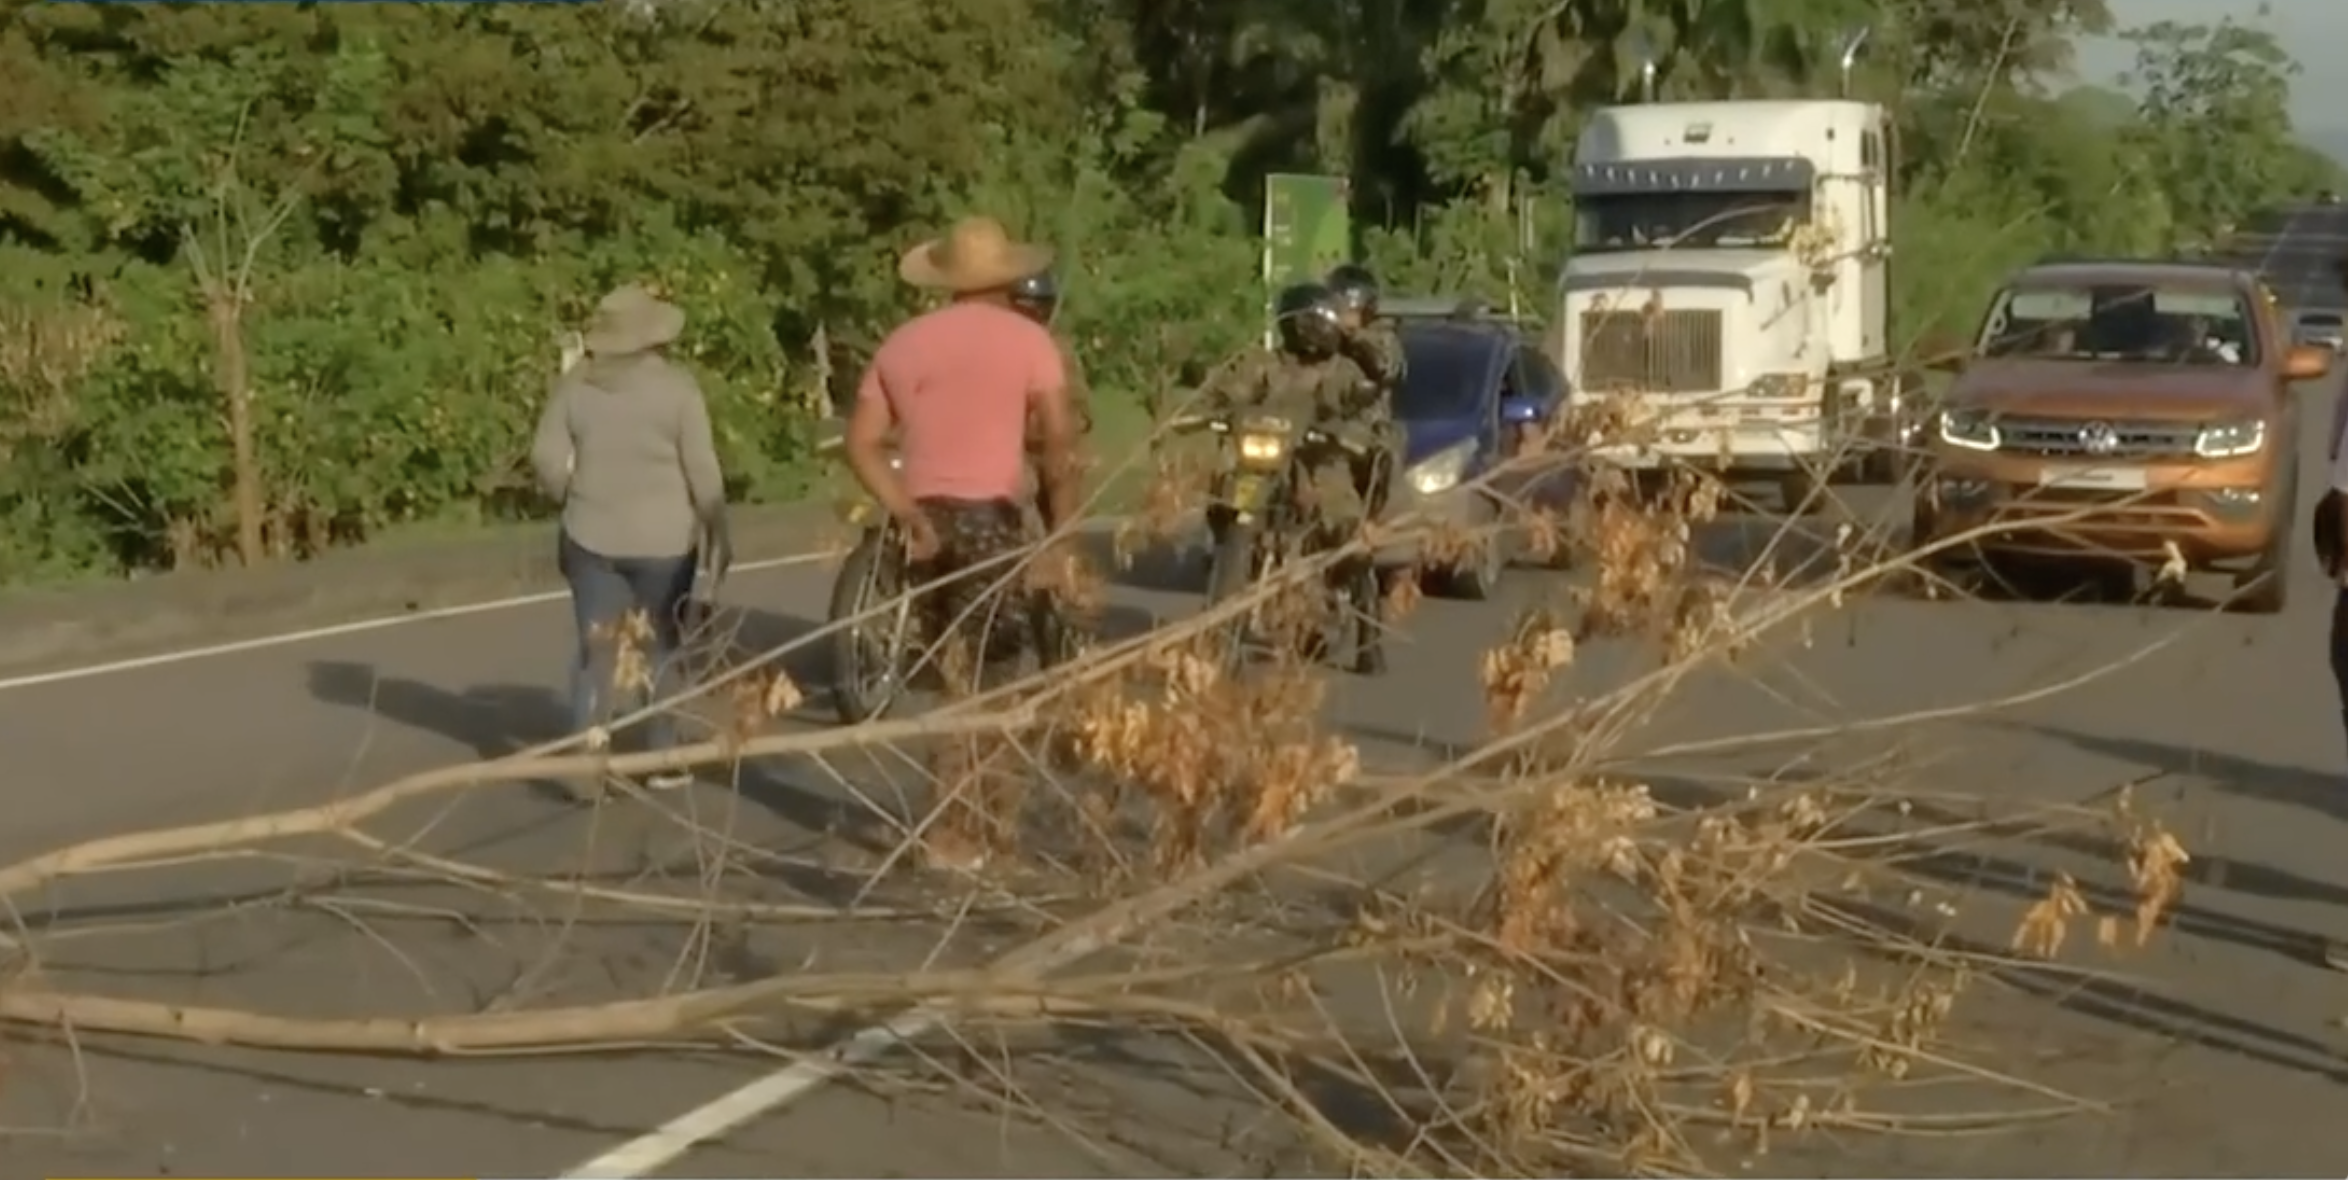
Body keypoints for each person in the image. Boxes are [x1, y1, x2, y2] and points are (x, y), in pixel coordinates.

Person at [845, 215, 1081, 871]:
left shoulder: (903, 344)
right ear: (1007, 276)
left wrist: (906, 513)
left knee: (951, 677)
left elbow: (860, 443)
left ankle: (954, 825)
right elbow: (1060, 444)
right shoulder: (1031, 343)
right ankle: (975, 830)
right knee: (993, 681)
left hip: (923, 525)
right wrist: (1061, 531)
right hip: (990, 523)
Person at [530, 284, 733, 795]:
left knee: (597, 649)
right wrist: (717, 528)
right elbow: (702, 470)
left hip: (589, 535)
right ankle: (662, 756)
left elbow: (545, 458)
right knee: (660, 645)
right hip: (664, 541)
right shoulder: (678, 389)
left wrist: (570, 493)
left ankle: (588, 761)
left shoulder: (575, 387)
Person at [1198, 280, 1397, 544]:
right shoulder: (1266, 362)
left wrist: (1351, 431)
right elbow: (1233, 388)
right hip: (1266, 454)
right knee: (1225, 475)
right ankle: (1223, 539)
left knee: (1337, 506)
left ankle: (1347, 559)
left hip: (1319, 457)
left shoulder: (1342, 370)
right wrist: (1211, 405)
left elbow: (1364, 409)